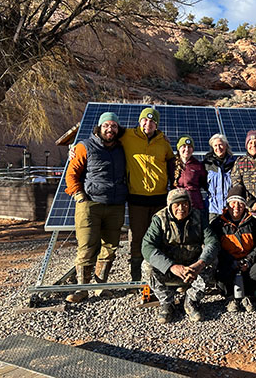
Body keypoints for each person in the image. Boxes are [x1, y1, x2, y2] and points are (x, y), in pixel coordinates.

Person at [64, 112, 127, 303]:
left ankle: (100, 287)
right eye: (107, 125)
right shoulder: (84, 147)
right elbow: (72, 173)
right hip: (90, 204)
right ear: (99, 127)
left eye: (114, 126)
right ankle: (82, 289)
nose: (110, 129)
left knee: (110, 248)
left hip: (115, 205)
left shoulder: (122, 147)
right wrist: (79, 195)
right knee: (86, 247)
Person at [141, 188, 219, 323]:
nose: (181, 208)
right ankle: (167, 302)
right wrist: (171, 266)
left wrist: (199, 264)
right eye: (176, 205)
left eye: (185, 203)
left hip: (193, 268)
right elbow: (147, 247)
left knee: (212, 260)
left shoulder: (199, 217)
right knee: (147, 265)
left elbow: (212, 242)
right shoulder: (159, 219)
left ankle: (191, 300)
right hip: (170, 267)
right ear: (170, 206)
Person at [120, 107, 175, 281]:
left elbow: (173, 164)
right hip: (137, 198)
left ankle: (157, 275)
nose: (148, 124)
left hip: (159, 199)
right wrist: (76, 147)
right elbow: (105, 133)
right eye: (145, 120)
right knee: (137, 237)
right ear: (139, 120)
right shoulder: (127, 135)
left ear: (156, 124)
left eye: (152, 121)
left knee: (159, 237)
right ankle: (136, 277)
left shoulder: (163, 142)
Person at [211, 185, 256, 312]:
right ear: (228, 204)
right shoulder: (218, 224)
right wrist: (231, 261)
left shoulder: (252, 222)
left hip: (248, 261)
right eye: (233, 203)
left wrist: (248, 260)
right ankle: (231, 298)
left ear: (245, 206)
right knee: (221, 273)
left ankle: (247, 295)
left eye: (240, 203)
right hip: (229, 262)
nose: (236, 207)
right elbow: (215, 247)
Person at [203, 134, 235, 222]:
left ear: (226, 146)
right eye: (215, 145)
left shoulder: (234, 164)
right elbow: (203, 184)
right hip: (212, 210)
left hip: (230, 209)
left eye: (221, 144)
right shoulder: (207, 165)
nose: (218, 148)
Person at [172, 135, 207, 211]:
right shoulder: (171, 164)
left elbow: (204, 184)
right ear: (179, 148)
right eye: (184, 146)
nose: (187, 149)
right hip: (177, 205)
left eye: (190, 147)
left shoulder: (198, 166)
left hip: (194, 205)